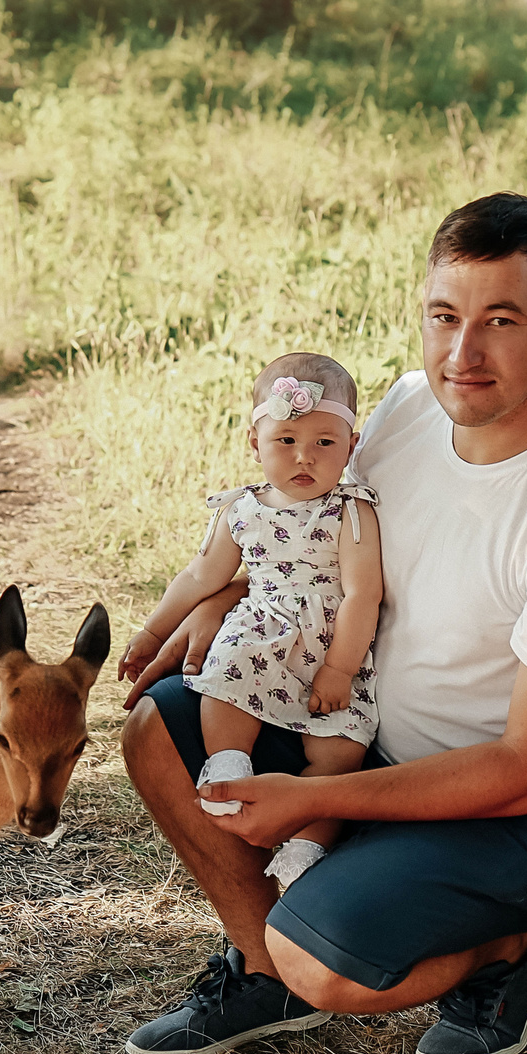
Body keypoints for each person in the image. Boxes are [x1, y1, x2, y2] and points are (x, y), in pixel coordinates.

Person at [119, 193, 527, 1054]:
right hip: (362, 728)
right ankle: (266, 973)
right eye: (444, 316)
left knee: (330, 959)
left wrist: (314, 799)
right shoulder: (412, 408)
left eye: (501, 320)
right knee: (162, 724)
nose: (464, 353)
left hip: (521, 813)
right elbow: (313, 548)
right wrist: (217, 607)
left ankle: (505, 951)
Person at [119, 353, 382, 887]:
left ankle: (307, 843)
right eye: (285, 440)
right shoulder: (241, 509)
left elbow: (362, 595)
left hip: (333, 646)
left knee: (341, 752)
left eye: (324, 443)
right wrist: (153, 631)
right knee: (226, 681)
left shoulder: (352, 510)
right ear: (254, 442)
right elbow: (200, 577)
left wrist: (338, 668)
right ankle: (228, 763)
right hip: (260, 629)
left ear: (351, 447)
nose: (304, 457)